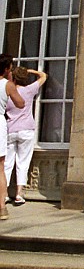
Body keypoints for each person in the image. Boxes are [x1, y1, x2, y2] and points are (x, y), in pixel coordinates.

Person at [4, 66, 46, 205]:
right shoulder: (29, 90)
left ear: (13, 78)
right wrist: (30, 71)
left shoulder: (9, 92)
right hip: (26, 129)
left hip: (10, 129)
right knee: (23, 162)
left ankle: (3, 194)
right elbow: (43, 76)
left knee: (7, 163)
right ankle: (19, 193)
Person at [0, 55, 25, 219]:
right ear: (8, 68)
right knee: (0, 167)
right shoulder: (7, 85)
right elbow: (20, 103)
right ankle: (1, 207)